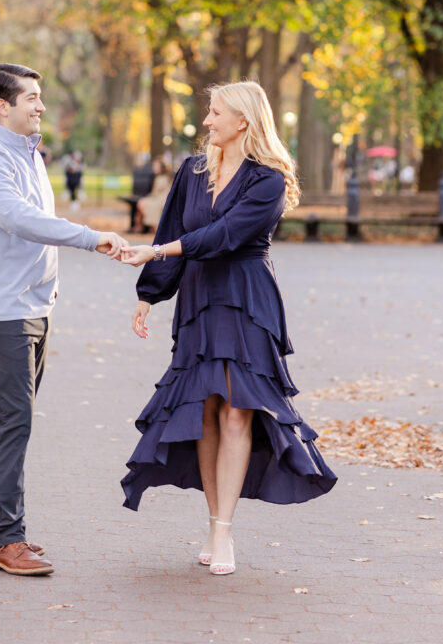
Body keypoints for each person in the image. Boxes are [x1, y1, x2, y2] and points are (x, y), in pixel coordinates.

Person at [120, 80, 336, 575]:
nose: (207, 121)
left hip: (245, 301)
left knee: (239, 412)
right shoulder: (192, 171)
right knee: (206, 410)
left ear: (243, 120)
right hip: (199, 299)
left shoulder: (269, 180)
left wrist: (158, 252)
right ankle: (214, 519)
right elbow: (173, 228)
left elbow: (225, 235)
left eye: (215, 112)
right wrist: (148, 294)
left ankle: (223, 532)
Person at [0, 63, 128, 577]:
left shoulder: (28, 154)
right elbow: (18, 219)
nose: (41, 105)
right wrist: (93, 237)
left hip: (31, 306)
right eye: (31, 97)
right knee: (15, 419)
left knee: (1, 415)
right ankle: (8, 539)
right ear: (2, 106)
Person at [132, 157, 173, 232]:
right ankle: (143, 226)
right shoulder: (159, 177)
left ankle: (146, 226)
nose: (154, 168)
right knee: (142, 203)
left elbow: (158, 192)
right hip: (157, 198)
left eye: (156, 166)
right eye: (154, 166)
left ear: (161, 167)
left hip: (161, 199)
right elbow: (155, 193)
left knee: (144, 204)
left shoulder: (165, 178)